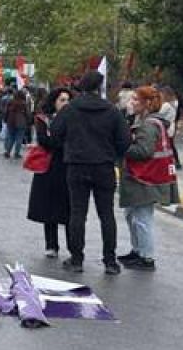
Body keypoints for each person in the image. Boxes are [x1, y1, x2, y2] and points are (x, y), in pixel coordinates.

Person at [51, 71, 131, 275]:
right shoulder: (112, 111)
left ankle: (77, 259)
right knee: (107, 214)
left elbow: (56, 133)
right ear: (100, 87)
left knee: (78, 213)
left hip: (77, 165)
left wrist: (70, 147)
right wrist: (112, 153)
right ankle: (110, 261)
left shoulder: (70, 110)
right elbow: (124, 140)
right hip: (103, 166)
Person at [117, 86, 178, 272]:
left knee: (143, 218)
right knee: (132, 215)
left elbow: (144, 151)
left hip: (144, 178)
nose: (131, 103)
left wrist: (122, 147)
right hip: (144, 177)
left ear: (147, 104)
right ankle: (138, 251)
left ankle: (147, 257)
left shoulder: (149, 125)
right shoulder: (147, 122)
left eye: (136, 100)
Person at [28, 88, 72, 258]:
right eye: (62, 100)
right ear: (54, 101)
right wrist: (60, 143)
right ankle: (51, 244)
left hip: (67, 166)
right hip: (47, 167)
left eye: (68, 99)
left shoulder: (74, 119)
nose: (65, 103)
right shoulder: (44, 119)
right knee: (49, 208)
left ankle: (72, 247)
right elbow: (44, 140)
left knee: (69, 208)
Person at [2, 90, 29, 160]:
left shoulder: (10, 102)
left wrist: (5, 119)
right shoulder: (24, 103)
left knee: (11, 137)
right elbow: (27, 113)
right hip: (21, 121)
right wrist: (28, 121)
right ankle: (16, 153)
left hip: (11, 121)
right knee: (19, 138)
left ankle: (8, 152)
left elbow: (6, 112)